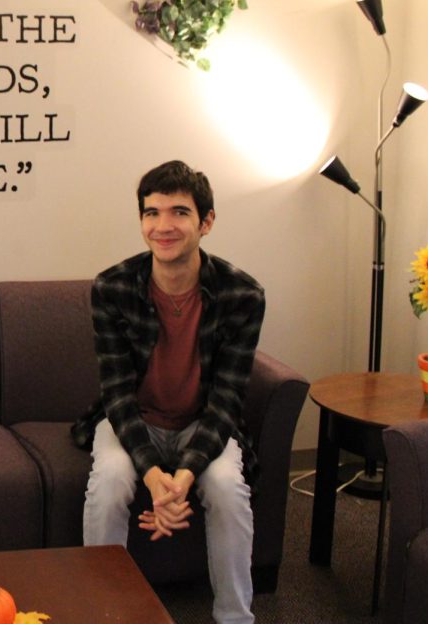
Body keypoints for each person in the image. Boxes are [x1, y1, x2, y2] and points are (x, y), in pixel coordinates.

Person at [72, 160, 265, 624]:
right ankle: (103, 614)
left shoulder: (243, 295)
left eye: (179, 212)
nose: (163, 225)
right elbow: (117, 395)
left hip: (203, 422)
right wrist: (156, 476)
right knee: (112, 480)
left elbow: (226, 402)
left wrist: (184, 476)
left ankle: (235, 618)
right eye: (151, 213)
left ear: (206, 221)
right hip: (134, 419)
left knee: (225, 487)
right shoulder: (113, 287)